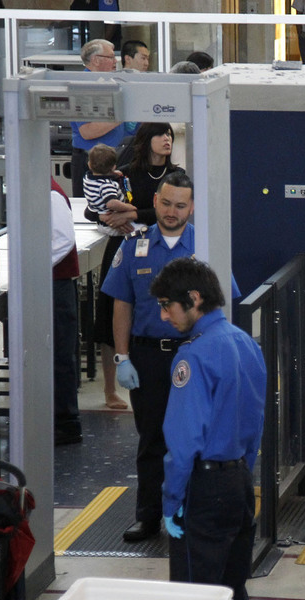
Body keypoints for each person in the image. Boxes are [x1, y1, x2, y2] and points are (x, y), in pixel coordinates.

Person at [151, 257, 265, 600]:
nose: (164, 316)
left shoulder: (192, 357)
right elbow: (256, 424)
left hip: (204, 488)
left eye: (167, 306)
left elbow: (182, 445)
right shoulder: (244, 343)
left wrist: (171, 502)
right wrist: (243, 477)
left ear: (194, 301)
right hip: (239, 481)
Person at [100, 173, 210, 543]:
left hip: (193, 358)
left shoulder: (206, 245)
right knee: (151, 441)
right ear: (156, 201)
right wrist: (122, 358)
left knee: (194, 438)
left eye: (181, 205)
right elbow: (122, 304)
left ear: (191, 207)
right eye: (166, 203)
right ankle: (148, 517)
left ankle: (191, 513)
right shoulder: (135, 245)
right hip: (147, 358)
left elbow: (221, 306)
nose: (172, 212)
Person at [90, 123, 183, 413]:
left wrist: (131, 212)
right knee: (110, 314)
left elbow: (172, 214)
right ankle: (109, 388)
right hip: (123, 245)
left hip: (162, 250)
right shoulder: (125, 173)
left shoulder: (176, 176)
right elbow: (92, 206)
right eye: (160, 134)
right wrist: (110, 217)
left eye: (169, 134)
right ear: (146, 140)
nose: (167, 139)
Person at [70, 39, 127, 198]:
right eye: (110, 57)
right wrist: (123, 116)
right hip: (91, 161)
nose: (115, 61)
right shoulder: (81, 87)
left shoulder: (110, 82)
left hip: (114, 158)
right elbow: (87, 131)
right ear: (95, 60)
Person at [51, 178, 82, 446]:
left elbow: (63, 240)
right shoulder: (40, 190)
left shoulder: (51, 194)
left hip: (56, 283)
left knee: (61, 354)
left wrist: (37, 264)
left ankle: (66, 422)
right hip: (50, 282)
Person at [83, 144, 145, 236]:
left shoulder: (88, 179)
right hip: (112, 224)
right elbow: (112, 203)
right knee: (142, 229)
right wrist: (128, 207)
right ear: (113, 167)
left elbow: (99, 177)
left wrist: (112, 174)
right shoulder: (106, 185)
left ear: (89, 165)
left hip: (100, 219)